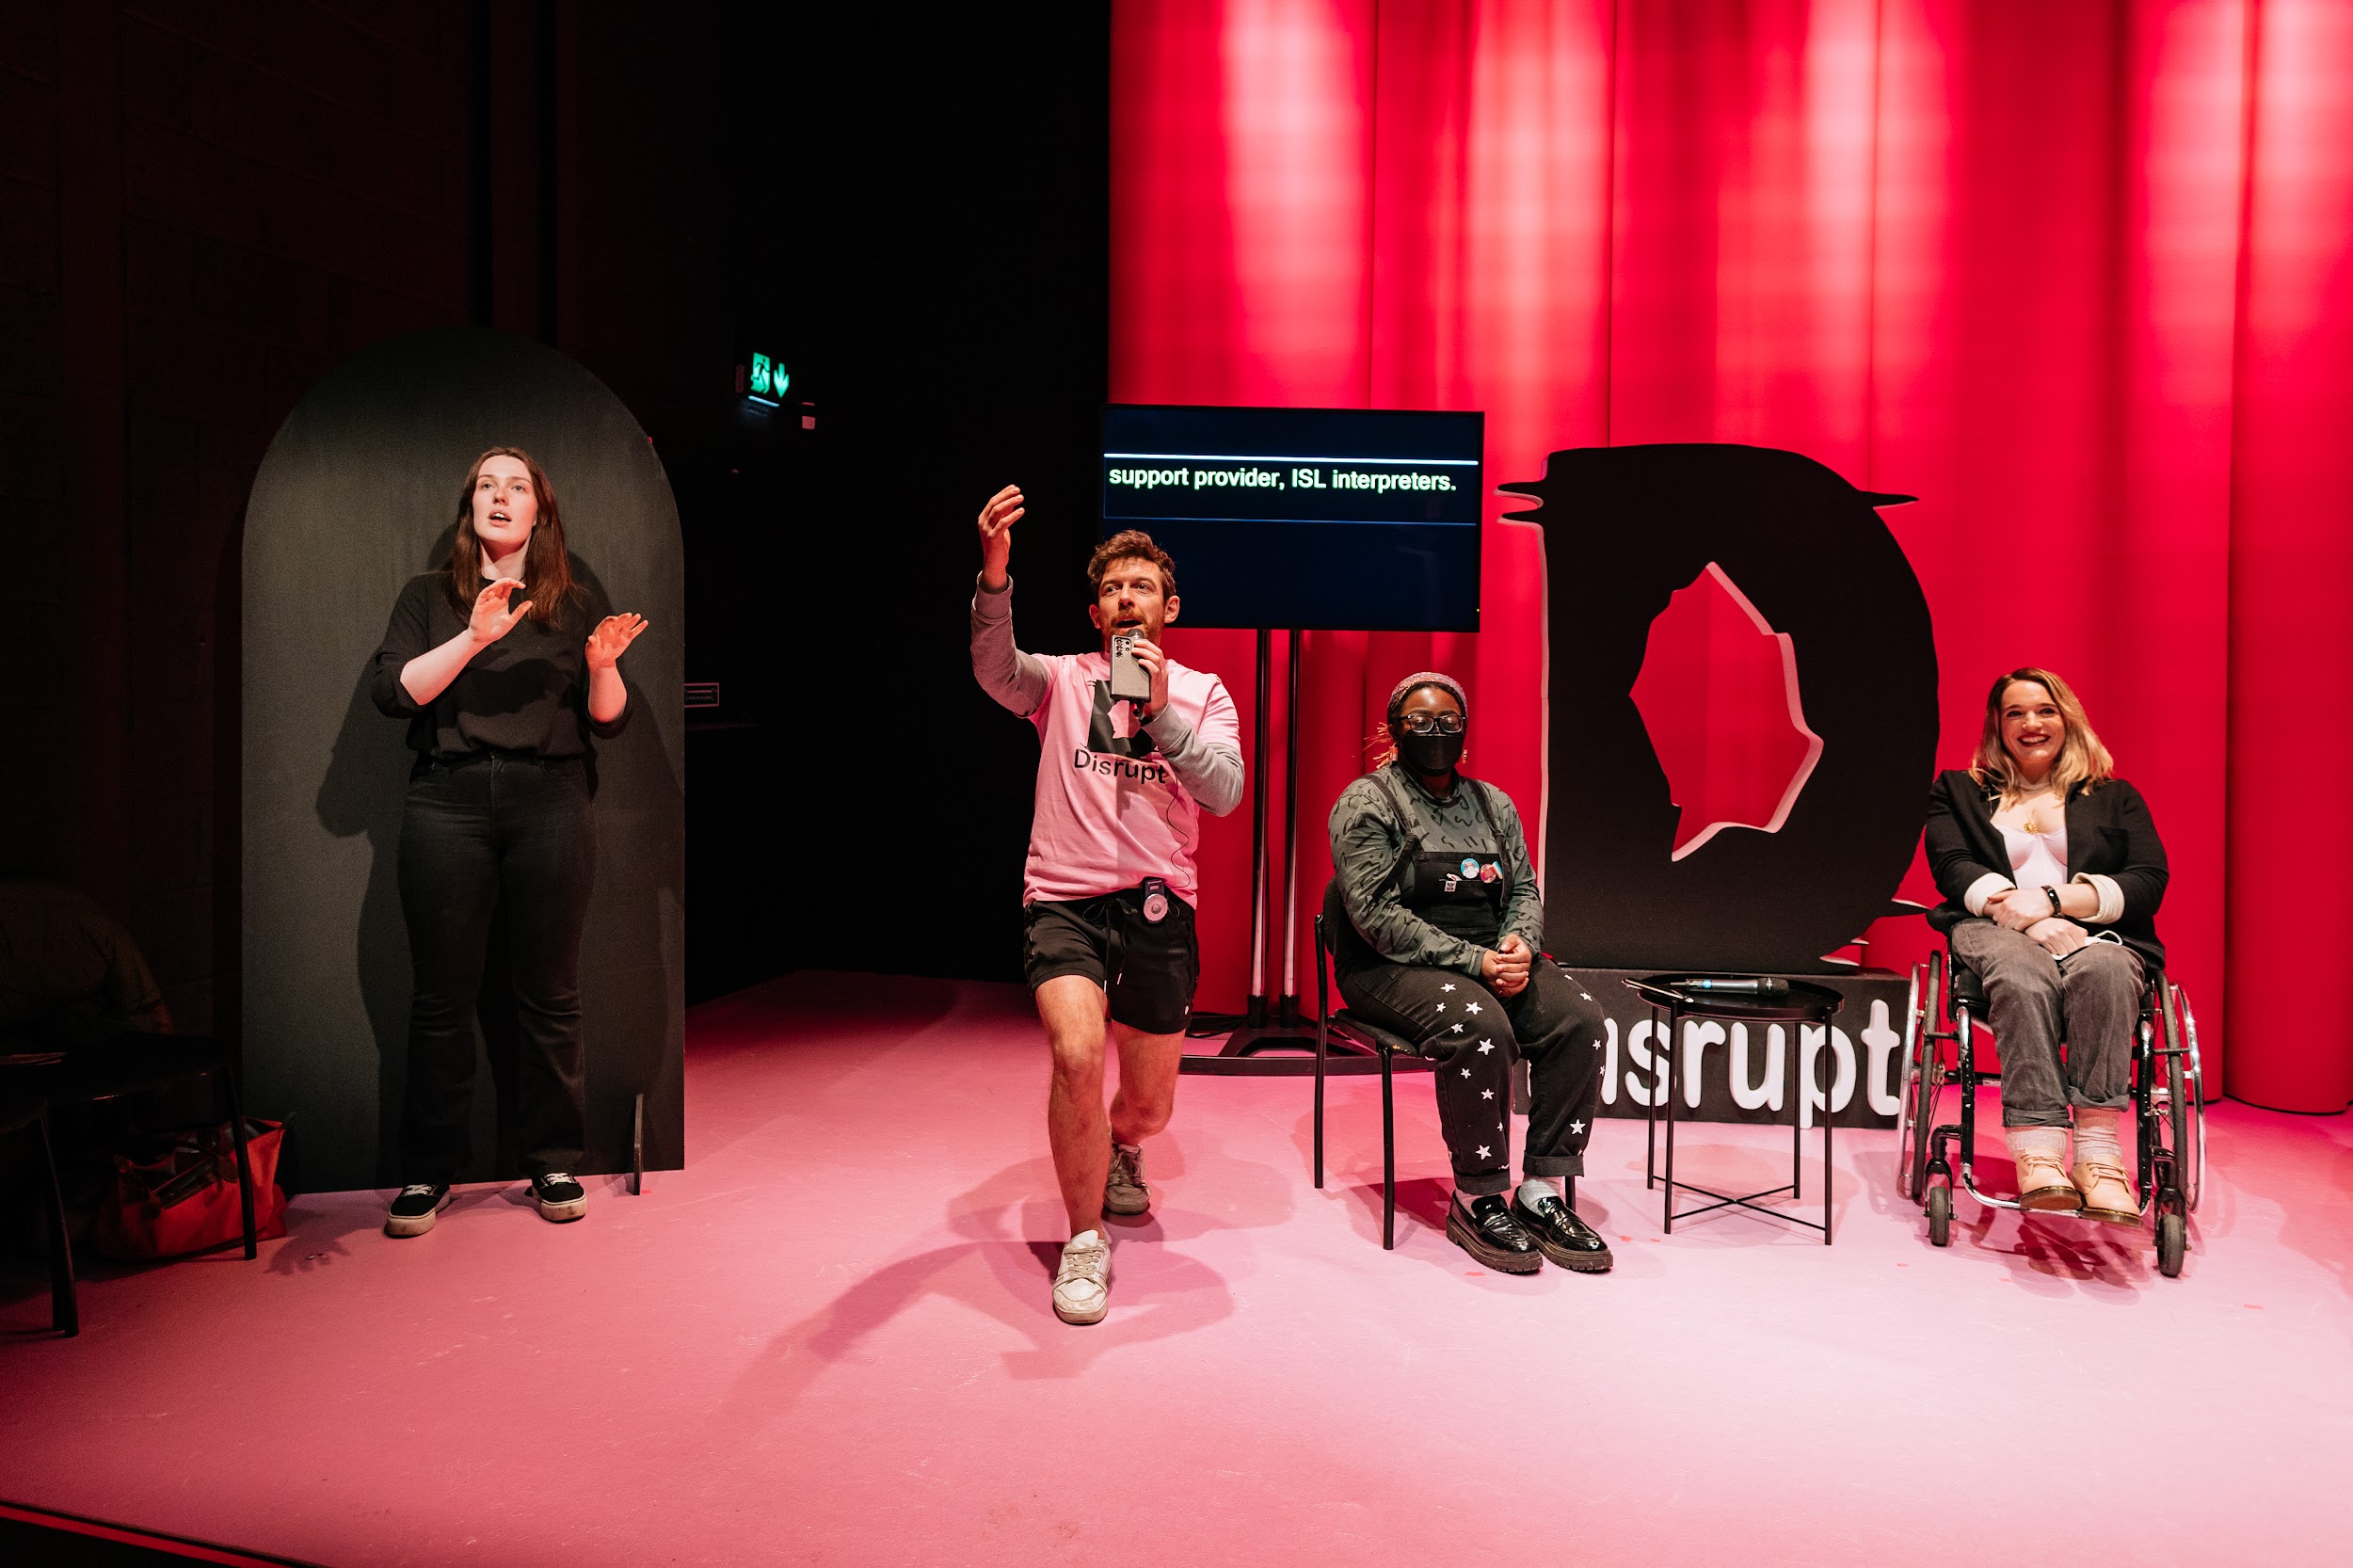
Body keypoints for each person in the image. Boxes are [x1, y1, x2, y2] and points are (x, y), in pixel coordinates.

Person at [970, 487, 1242, 1325]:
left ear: (1170, 606)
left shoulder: (1203, 693)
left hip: (1160, 908)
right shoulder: (1060, 680)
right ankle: (1083, 1241)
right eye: (1115, 589)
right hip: (1065, 900)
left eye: (1143, 587)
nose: (1129, 599)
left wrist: (1161, 713)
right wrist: (993, 576)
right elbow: (994, 670)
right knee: (1078, 1055)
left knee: (1149, 1108)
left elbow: (1226, 794)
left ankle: (1122, 1148)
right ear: (1096, 610)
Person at [367, 447, 648, 1238]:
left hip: (551, 799)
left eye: (517, 487)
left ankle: (553, 1159)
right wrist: (473, 638)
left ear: (539, 514)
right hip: (447, 800)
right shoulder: (429, 597)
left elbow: (608, 719)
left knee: (551, 994)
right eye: (487, 485)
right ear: (471, 508)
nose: (500, 496)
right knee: (440, 998)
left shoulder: (572, 600)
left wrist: (601, 666)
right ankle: (426, 1172)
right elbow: (393, 693)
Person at [1326, 673, 1612, 1275]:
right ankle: (1478, 1195)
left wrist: (1518, 946)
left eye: (1449, 722)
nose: (1437, 733)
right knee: (1480, 1025)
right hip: (1385, 965)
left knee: (1581, 1021)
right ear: (1393, 731)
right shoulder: (1367, 803)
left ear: (1466, 730)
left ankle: (1540, 1189)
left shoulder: (1494, 804)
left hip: (1490, 955)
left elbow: (1525, 890)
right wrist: (1475, 963)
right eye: (1421, 723)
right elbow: (1375, 915)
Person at [1925, 666, 2168, 1224]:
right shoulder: (1958, 790)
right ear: (1997, 725)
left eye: (2045, 710)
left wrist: (2053, 902)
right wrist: (2028, 920)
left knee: (2107, 970)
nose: (2031, 724)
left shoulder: (2114, 797)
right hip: (1993, 929)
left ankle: (2099, 1156)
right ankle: (2038, 1152)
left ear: (2067, 719)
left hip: (2097, 933)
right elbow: (1952, 865)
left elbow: (2147, 880)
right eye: (2015, 713)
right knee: (2020, 972)